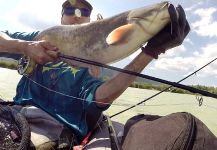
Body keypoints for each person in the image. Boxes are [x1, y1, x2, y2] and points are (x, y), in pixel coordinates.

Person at [0, 0, 190, 149]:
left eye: (84, 12)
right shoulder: (39, 37)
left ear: (89, 19)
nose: (76, 16)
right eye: (70, 11)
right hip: (13, 114)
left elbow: (102, 96)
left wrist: (150, 52)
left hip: (54, 131)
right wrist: (24, 46)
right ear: (61, 17)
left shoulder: (95, 64)